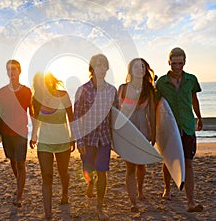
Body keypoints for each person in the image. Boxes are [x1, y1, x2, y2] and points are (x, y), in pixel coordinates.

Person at [72, 54, 120, 221]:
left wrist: (120, 142)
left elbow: (117, 116)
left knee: (103, 172)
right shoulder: (83, 90)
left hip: (104, 139)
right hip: (88, 139)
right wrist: (79, 140)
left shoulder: (112, 91)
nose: (101, 68)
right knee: (88, 169)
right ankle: (90, 183)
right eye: (97, 65)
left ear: (107, 68)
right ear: (91, 69)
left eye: (103, 65)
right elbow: (76, 116)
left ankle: (99, 207)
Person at [156, 47, 203, 212]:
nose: (177, 67)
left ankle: (190, 202)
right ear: (169, 62)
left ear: (184, 62)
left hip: (187, 125)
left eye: (180, 63)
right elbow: (157, 106)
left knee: (188, 163)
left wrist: (199, 117)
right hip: (169, 127)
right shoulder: (161, 82)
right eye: (174, 63)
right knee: (168, 160)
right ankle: (167, 189)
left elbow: (194, 99)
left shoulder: (191, 79)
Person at [30, 72, 75, 220]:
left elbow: (71, 117)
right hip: (45, 143)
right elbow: (36, 119)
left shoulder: (63, 95)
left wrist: (73, 137)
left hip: (63, 142)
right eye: (40, 83)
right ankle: (48, 213)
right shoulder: (36, 100)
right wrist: (34, 136)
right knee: (47, 176)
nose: (44, 85)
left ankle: (65, 193)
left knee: (63, 172)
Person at [0, 60, 33, 207]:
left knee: (21, 163)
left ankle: (19, 195)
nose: (12, 72)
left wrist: (34, 134)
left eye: (14, 69)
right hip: (6, 133)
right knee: (12, 161)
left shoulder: (27, 91)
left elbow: (33, 112)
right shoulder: (1, 92)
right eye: (9, 70)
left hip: (21, 132)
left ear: (19, 71)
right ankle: (19, 185)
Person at [118, 58, 156, 212]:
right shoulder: (122, 88)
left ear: (145, 70)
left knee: (141, 164)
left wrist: (153, 132)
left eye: (142, 66)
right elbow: (116, 110)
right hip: (127, 129)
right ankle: (133, 201)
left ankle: (140, 191)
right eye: (136, 66)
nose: (139, 69)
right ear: (130, 70)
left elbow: (152, 112)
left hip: (142, 130)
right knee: (130, 167)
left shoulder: (149, 89)